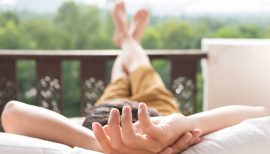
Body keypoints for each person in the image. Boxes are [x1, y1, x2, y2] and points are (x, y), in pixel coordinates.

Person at [1, 1, 269, 154]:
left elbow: (12, 113)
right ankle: (129, 40)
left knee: (121, 75)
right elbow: (259, 111)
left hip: (111, 115)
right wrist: (177, 125)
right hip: (157, 113)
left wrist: (101, 144)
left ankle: (127, 39)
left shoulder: (95, 135)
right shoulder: (168, 122)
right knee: (139, 66)